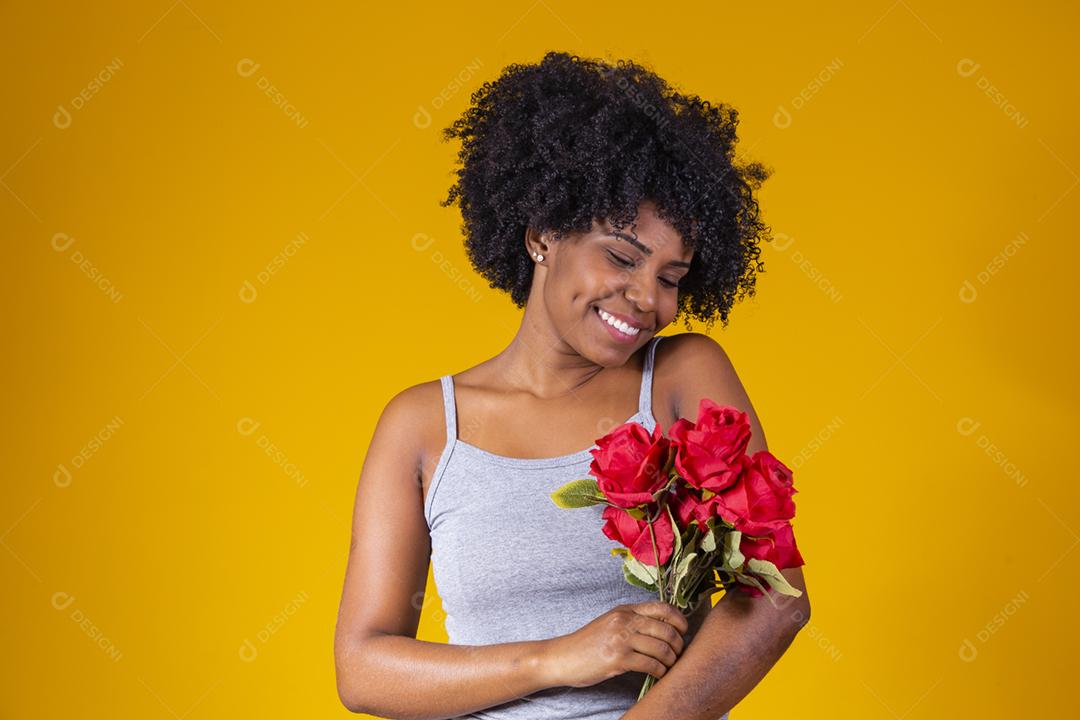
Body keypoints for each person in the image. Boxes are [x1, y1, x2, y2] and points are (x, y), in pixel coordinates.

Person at [335, 50, 810, 719]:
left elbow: (776, 596)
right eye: (621, 256)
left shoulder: (680, 378)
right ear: (541, 235)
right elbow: (363, 667)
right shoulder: (423, 424)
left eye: (671, 278)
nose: (648, 299)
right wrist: (556, 656)